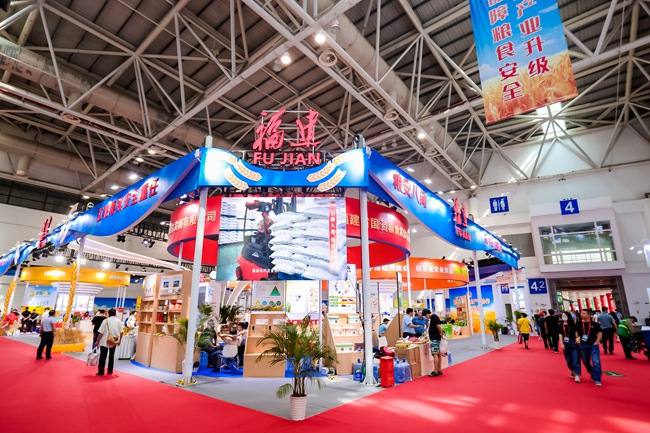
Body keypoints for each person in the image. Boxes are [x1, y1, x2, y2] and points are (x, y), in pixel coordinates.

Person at [577, 309, 603, 386]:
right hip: (582, 345)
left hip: (593, 345)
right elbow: (576, 332)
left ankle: (597, 379)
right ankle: (592, 372)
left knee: (596, 362)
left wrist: (596, 342)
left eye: (583, 313)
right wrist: (577, 338)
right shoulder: (579, 324)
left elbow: (600, 334)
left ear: (588, 315)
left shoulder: (595, 324)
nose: (581, 314)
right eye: (581, 313)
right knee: (586, 362)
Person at [95, 308, 123, 376]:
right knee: (111, 356)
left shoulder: (105, 321)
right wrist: (119, 341)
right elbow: (121, 332)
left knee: (103, 356)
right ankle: (110, 370)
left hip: (104, 341)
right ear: (115, 314)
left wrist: (97, 341)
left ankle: (101, 372)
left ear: (108, 314)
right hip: (114, 340)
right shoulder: (118, 321)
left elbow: (101, 332)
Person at [558, 311, 581, 383]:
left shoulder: (573, 324)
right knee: (568, 360)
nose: (563, 317)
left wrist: (578, 339)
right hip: (566, 343)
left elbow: (577, 333)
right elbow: (560, 335)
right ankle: (572, 370)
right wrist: (561, 344)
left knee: (576, 359)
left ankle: (577, 375)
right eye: (562, 316)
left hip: (573, 342)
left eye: (565, 315)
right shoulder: (560, 325)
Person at [423, 309, 444, 377]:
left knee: (435, 354)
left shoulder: (434, 317)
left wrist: (441, 333)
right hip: (435, 338)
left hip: (435, 338)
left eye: (425, 316)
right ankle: (439, 369)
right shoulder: (432, 318)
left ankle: (435, 370)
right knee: (438, 354)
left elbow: (438, 326)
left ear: (427, 314)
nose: (425, 317)